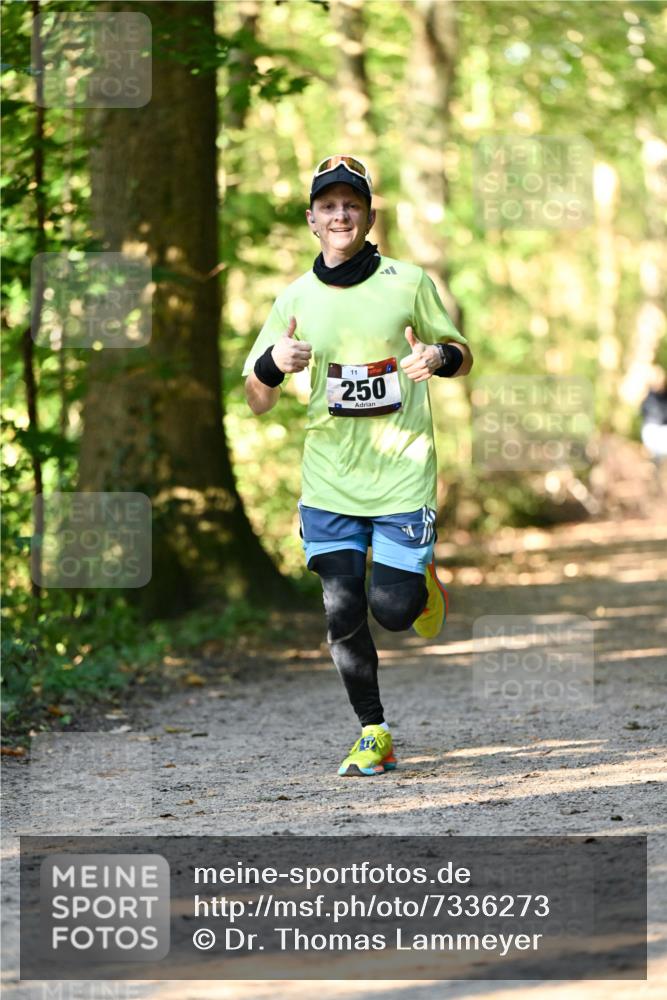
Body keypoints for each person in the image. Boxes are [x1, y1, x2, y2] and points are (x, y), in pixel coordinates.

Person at [243, 154, 473, 776]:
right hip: (328, 480)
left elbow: (461, 353)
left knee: (392, 612)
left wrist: (437, 358)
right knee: (341, 612)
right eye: (328, 206)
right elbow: (255, 400)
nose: (340, 214)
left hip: (401, 473)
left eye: (352, 204)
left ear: (369, 215)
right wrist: (272, 365)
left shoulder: (408, 282)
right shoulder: (293, 298)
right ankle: (374, 731)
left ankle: (420, 586)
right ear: (312, 220)